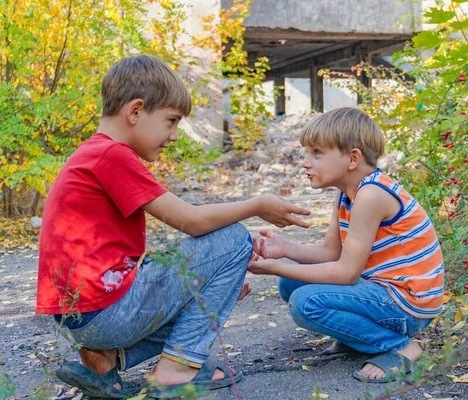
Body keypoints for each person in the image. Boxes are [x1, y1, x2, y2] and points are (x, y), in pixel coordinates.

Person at [35, 54, 310, 399]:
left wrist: (212, 284)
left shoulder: (93, 154)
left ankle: (107, 360)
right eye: (171, 121)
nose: (175, 135)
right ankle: (175, 371)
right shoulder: (112, 156)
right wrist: (256, 205)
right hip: (105, 313)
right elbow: (191, 221)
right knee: (234, 240)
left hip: (83, 316)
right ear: (135, 112)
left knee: (213, 283)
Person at [249, 107, 444, 383]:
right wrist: (286, 249)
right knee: (290, 284)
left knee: (305, 302)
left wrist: (276, 266)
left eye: (316, 153)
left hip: (406, 305)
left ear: (353, 158)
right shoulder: (347, 193)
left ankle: (399, 346)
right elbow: (332, 253)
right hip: (384, 293)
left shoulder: (371, 195)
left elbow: (345, 273)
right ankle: (357, 338)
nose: (306, 162)